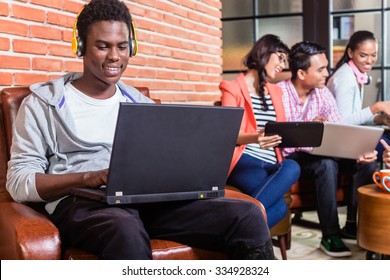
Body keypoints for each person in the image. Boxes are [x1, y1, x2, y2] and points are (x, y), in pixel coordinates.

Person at [5, 0, 274, 260]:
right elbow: (19, 182)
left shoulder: (140, 103)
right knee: (125, 228)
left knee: (246, 215)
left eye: (122, 46)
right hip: (83, 203)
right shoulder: (42, 104)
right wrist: (88, 177)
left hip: (147, 201)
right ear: (81, 46)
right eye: (102, 46)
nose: (114, 56)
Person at [278, 41, 377, 257]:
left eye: (326, 67)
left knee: (365, 162)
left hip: (319, 150)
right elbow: (281, 140)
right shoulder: (279, 93)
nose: (327, 74)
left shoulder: (322, 93)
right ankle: (330, 234)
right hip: (291, 157)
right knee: (326, 164)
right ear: (302, 73)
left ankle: (353, 225)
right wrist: (309, 130)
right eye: (321, 69)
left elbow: (340, 128)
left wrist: (359, 150)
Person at [219, 34, 300, 229]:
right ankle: (238, 237)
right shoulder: (232, 88)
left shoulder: (276, 91)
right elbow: (230, 134)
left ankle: (231, 230)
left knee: (293, 167)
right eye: (280, 58)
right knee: (280, 207)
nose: (283, 65)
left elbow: (282, 128)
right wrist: (256, 138)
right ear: (265, 52)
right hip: (244, 159)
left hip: (272, 160)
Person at [327, 30, 390, 160]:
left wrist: (379, 119)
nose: (369, 60)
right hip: (338, 141)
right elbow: (343, 123)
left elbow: (353, 116)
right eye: (363, 55)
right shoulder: (346, 77)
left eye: (373, 55)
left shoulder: (355, 74)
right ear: (350, 53)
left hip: (348, 137)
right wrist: (377, 107)